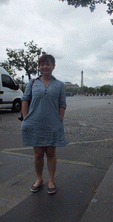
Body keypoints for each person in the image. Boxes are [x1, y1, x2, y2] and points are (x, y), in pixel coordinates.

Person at [21, 54, 68, 194]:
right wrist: (25, 119)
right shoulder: (32, 82)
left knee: (51, 152)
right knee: (38, 154)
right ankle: (39, 178)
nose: (45, 66)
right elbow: (24, 99)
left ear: (53, 66)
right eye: (42, 64)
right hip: (35, 123)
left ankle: (51, 180)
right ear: (39, 67)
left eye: (48, 64)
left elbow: (62, 104)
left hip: (53, 124)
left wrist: (60, 120)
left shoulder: (60, 85)